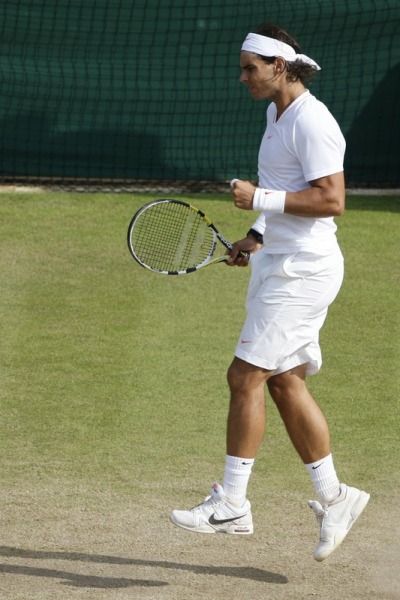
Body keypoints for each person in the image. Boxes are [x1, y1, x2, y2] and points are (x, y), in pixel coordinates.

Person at [170, 23, 370, 562]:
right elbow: (287, 189)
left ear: (279, 66)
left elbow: (332, 200)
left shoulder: (312, 120)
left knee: (244, 376)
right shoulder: (275, 114)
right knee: (283, 381)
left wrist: (260, 198)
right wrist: (257, 233)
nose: (243, 78)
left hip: (302, 272)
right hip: (278, 262)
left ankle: (232, 504)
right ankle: (336, 498)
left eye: (250, 69)